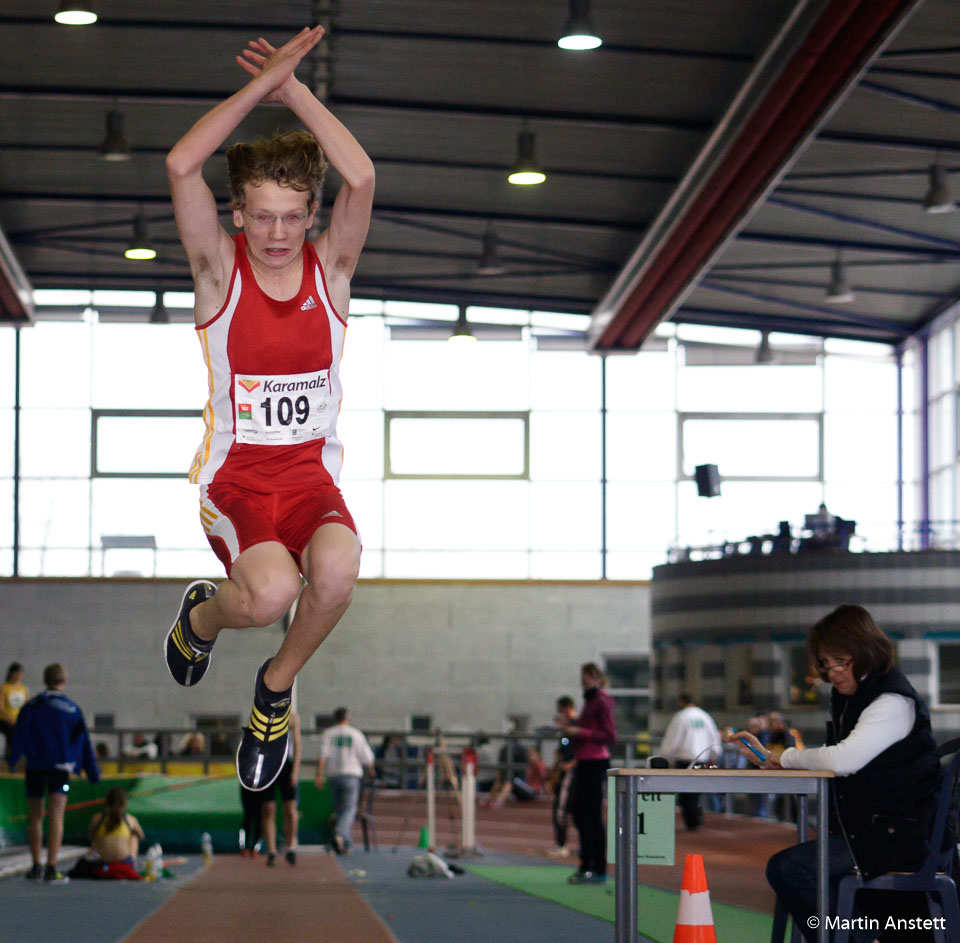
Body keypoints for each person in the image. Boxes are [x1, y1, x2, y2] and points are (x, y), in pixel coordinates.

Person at [162, 24, 375, 793]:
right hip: (240, 482)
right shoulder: (219, 274)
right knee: (272, 591)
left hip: (311, 482)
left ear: (313, 214)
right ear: (239, 215)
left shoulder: (334, 271)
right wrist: (259, 87)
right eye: (263, 216)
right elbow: (182, 161)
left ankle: (274, 691)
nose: (279, 234)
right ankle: (202, 619)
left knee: (340, 572)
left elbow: (363, 176)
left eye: (294, 216)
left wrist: (296, 90)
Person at [726, 605, 945, 943]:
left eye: (840, 661)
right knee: (796, 869)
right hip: (880, 831)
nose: (833, 673)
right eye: (826, 664)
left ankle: (859, 939)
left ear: (866, 650)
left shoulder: (891, 701)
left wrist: (784, 757)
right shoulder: (856, 697)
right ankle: (863, 936)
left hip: (903, 838)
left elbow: (843, 760)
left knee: (790, 869)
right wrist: (774, 757)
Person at [8, 663, 100, 883]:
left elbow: (18, 735)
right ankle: (51, 867)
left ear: (45, 680)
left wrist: (12, 761)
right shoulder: (72, 709)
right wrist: (93, 772)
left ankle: (35, 865)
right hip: (60, 768)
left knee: (35, 816)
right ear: (64, 681)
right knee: (56, 815)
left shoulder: (32, 706)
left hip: (35, 767)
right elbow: (84, 743)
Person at [560, 662, 617, 885]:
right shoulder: (591, 701)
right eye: (583, 677)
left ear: (598, 679)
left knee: (590, 815)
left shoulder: (601, 701)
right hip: (586, 761)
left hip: (595, 762)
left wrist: (577, 730)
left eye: (589, 677)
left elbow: (609, 735)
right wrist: (573, 725)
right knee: (580, 812)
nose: (584, 680)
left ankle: (596, 867)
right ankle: (588, 864)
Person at [315, 706, 375, 854]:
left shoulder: (328, 734)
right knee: (349, 810)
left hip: (334, 775)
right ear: (347, 718)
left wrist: (319, 775)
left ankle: (345, 845)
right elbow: (367, 757)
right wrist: (371, 770)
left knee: (340, 810)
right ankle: (340, 833)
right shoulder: (356, 734)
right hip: (351, 775)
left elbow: (323, 755)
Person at [659, 693, 720, 830]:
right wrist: (714, 754)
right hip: (702, 758)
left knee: (686, 793)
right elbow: (714, 737)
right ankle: (697, 816)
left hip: (685, 759)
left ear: (681, 702)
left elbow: (673, 739)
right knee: (697, 791)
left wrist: (665, 756)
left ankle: (692, 821)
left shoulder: (681, 717)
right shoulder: (705, 716)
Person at [262, 710, 301, 866]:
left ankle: (290, 846)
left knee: (290, 809)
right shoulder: (262, 713)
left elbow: (297, 745)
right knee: (268, 808)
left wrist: (295, 771)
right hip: (268, 764)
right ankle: (271, 851)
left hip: (286, 764)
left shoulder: (292, 717)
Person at [547, 695, 578, 857]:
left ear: (566, 709)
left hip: (573, 773)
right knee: (565, 809)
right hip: (565, 772)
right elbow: (560, 752)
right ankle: (562, 844)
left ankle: (562, 845)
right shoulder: (565, 731)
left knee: (562, 809)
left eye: (560, 712)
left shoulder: (576, 726)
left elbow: (583, 750)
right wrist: (553, 772)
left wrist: (571, 764)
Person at [89, 786, 145, 869]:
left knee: (95, 835)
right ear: (125, 803)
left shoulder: (97, 818)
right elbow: (142, 836)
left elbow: (91, 836)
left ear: (107, 802)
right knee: (134, 836)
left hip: (101, 862)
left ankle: (98, 856)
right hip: (124, 862)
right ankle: (132, 864)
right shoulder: (130, 820)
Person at [0, 662, 28, 765]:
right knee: (12, 731)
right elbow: (1, 707)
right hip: (5, 719)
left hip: (18, 719)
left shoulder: (23, 689)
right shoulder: (4, 688)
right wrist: (10, 718)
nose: (19, 676)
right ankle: (10, 757)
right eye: (17, 674)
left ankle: (21, 755)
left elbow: (26, 706)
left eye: (21, 674)